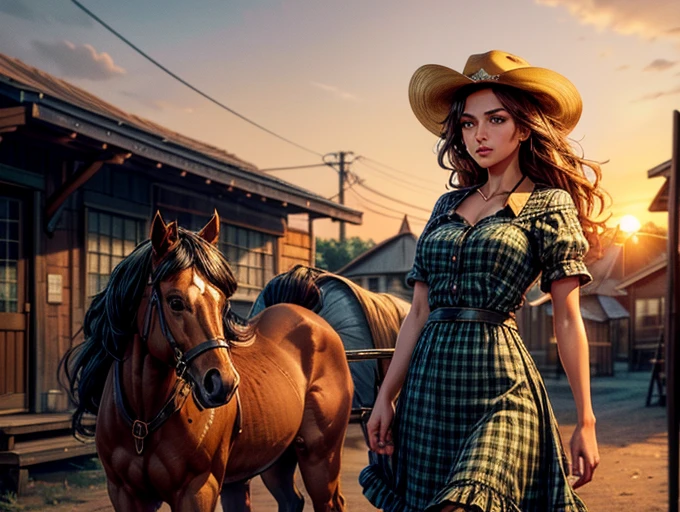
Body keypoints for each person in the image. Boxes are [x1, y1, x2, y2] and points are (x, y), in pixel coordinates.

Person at [359, 50, 605, 512]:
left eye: (495, 119)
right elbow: (417, 313)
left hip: (500, 385)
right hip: (429, 387)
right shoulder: (444, 206)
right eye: (469, 124)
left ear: (524, 127)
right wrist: (384, 398)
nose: (480, 135)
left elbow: (568, 320)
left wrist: (586, 420)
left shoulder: (549, 204)